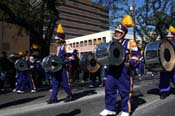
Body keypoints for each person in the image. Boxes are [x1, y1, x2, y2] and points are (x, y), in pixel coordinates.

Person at [99, 15, 140, 116]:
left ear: (124, 33)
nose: (117, 34)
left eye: (119, 32)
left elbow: (137, 55)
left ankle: (126, 110)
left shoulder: (130, 43)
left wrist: (130, 63)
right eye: (116, 32)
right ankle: (110, 108)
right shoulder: (111, 44)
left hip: (124, 71)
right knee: (109, 88)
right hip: (112, 70)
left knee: (124, 91)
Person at [47, 23, 73, 104]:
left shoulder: (66, 46)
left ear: (61, 39)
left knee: (65, 83)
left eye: (57, 39)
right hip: (57, 67)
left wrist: (66, 61)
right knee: (55, 82)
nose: (56, 41)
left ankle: (69, 95)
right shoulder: (58, 48)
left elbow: (72, 57)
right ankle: (53, 98)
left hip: (64, 68)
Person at [159, 26, 175, 99]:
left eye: (170, 37)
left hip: (174, 64)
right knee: (164, 78)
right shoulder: (163, 43)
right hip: (165, 63)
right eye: (168, 37)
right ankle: (164, 91)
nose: (169, 38)